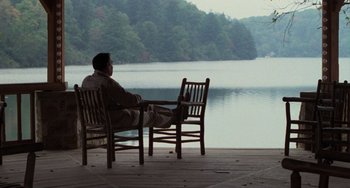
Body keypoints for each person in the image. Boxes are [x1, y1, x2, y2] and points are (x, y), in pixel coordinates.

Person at [82, 52, 174, 129]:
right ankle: (173, 118)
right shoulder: (107, 83)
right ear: (107, 66)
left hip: (95, 119)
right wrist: (138, 97)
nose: (112, 66)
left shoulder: (86, 80)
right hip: (114, 120)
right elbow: (129, 100)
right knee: (152, 116)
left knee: (147, 108)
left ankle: (173, 113)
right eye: (111, 63)